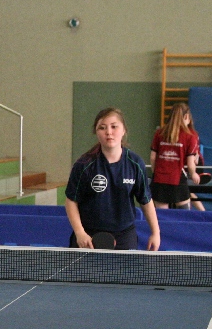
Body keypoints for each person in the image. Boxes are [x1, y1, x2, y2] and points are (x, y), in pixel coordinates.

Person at [65, 107, 160, 251]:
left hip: (124, 235)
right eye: (102, 128)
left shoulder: (135, 163)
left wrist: (155, 232)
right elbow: (71, 201)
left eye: (114, 126)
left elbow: (145, 200)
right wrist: (80, 232)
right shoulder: (84, 164)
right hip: (89, 236)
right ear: (96, 132)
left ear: (124, 130)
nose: (108, 132)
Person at [150, 102, 200, 210]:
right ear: (186, 116)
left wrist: (155, 173)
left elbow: (153, 158)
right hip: (177, 179)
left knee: (162, 216)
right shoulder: (190, 137)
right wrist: (193, 173)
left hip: (159, 179)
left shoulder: (159, 133)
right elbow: (190, 163)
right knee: (184, 215)